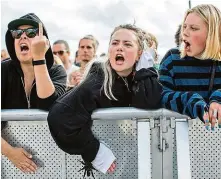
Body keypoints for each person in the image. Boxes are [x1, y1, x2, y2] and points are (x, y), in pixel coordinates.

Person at [47, 24, 162, 177]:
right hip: (105, 163)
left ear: (139, 53)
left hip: (134, 158)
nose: (119, 47)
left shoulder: (140, 76)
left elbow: (150, 102)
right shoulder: (100, 78)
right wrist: (94, 151)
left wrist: (146, 68)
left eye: (127, 44)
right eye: (115, 43)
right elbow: (59, 116)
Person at [1, 13, 67, 173]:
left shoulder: (57, 71)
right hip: (5, 156)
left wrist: (38, 58)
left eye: (31, 33)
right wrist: (10, 153)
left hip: (51, 155)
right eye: (17, 34)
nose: (23, 37)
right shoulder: (3, 71)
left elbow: (47, 105)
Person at [159, 4, 221, 131]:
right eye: (184, 27)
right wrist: (190, 100)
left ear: (212, 34)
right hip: (180, 138)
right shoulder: (172, 59)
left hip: (220, 140)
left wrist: (220, 98)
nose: (184, 33)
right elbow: (161, 95)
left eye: (194, 28)